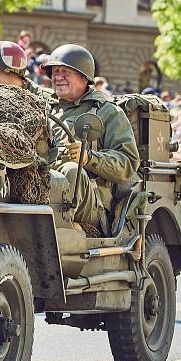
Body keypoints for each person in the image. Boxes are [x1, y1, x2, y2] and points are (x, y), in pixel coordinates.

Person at [44, 44, 139, 230]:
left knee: (71, 170)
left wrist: (88, 158)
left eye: (65, 72)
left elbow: (127, 164)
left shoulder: (107, 112)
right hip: (44, 188)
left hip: (91, 204)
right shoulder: (45, 109)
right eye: (55, 72)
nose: (58, 77)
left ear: (83, 76)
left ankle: (55, 233)